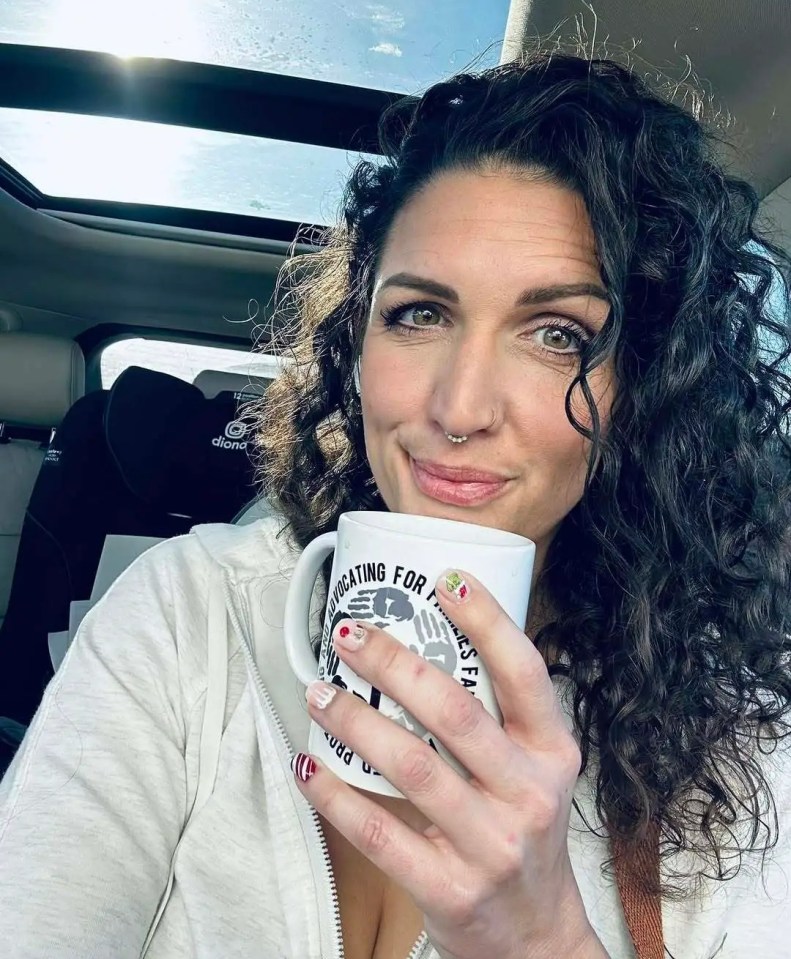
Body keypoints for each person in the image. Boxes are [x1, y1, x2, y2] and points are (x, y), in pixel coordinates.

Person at [1, 48, 790, 959]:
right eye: (419, 313)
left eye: (555, 333)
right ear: (357, 342)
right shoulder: (190, 614)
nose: (457, 408)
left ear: (644, 384)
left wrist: (545, 943)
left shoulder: (731, 747)